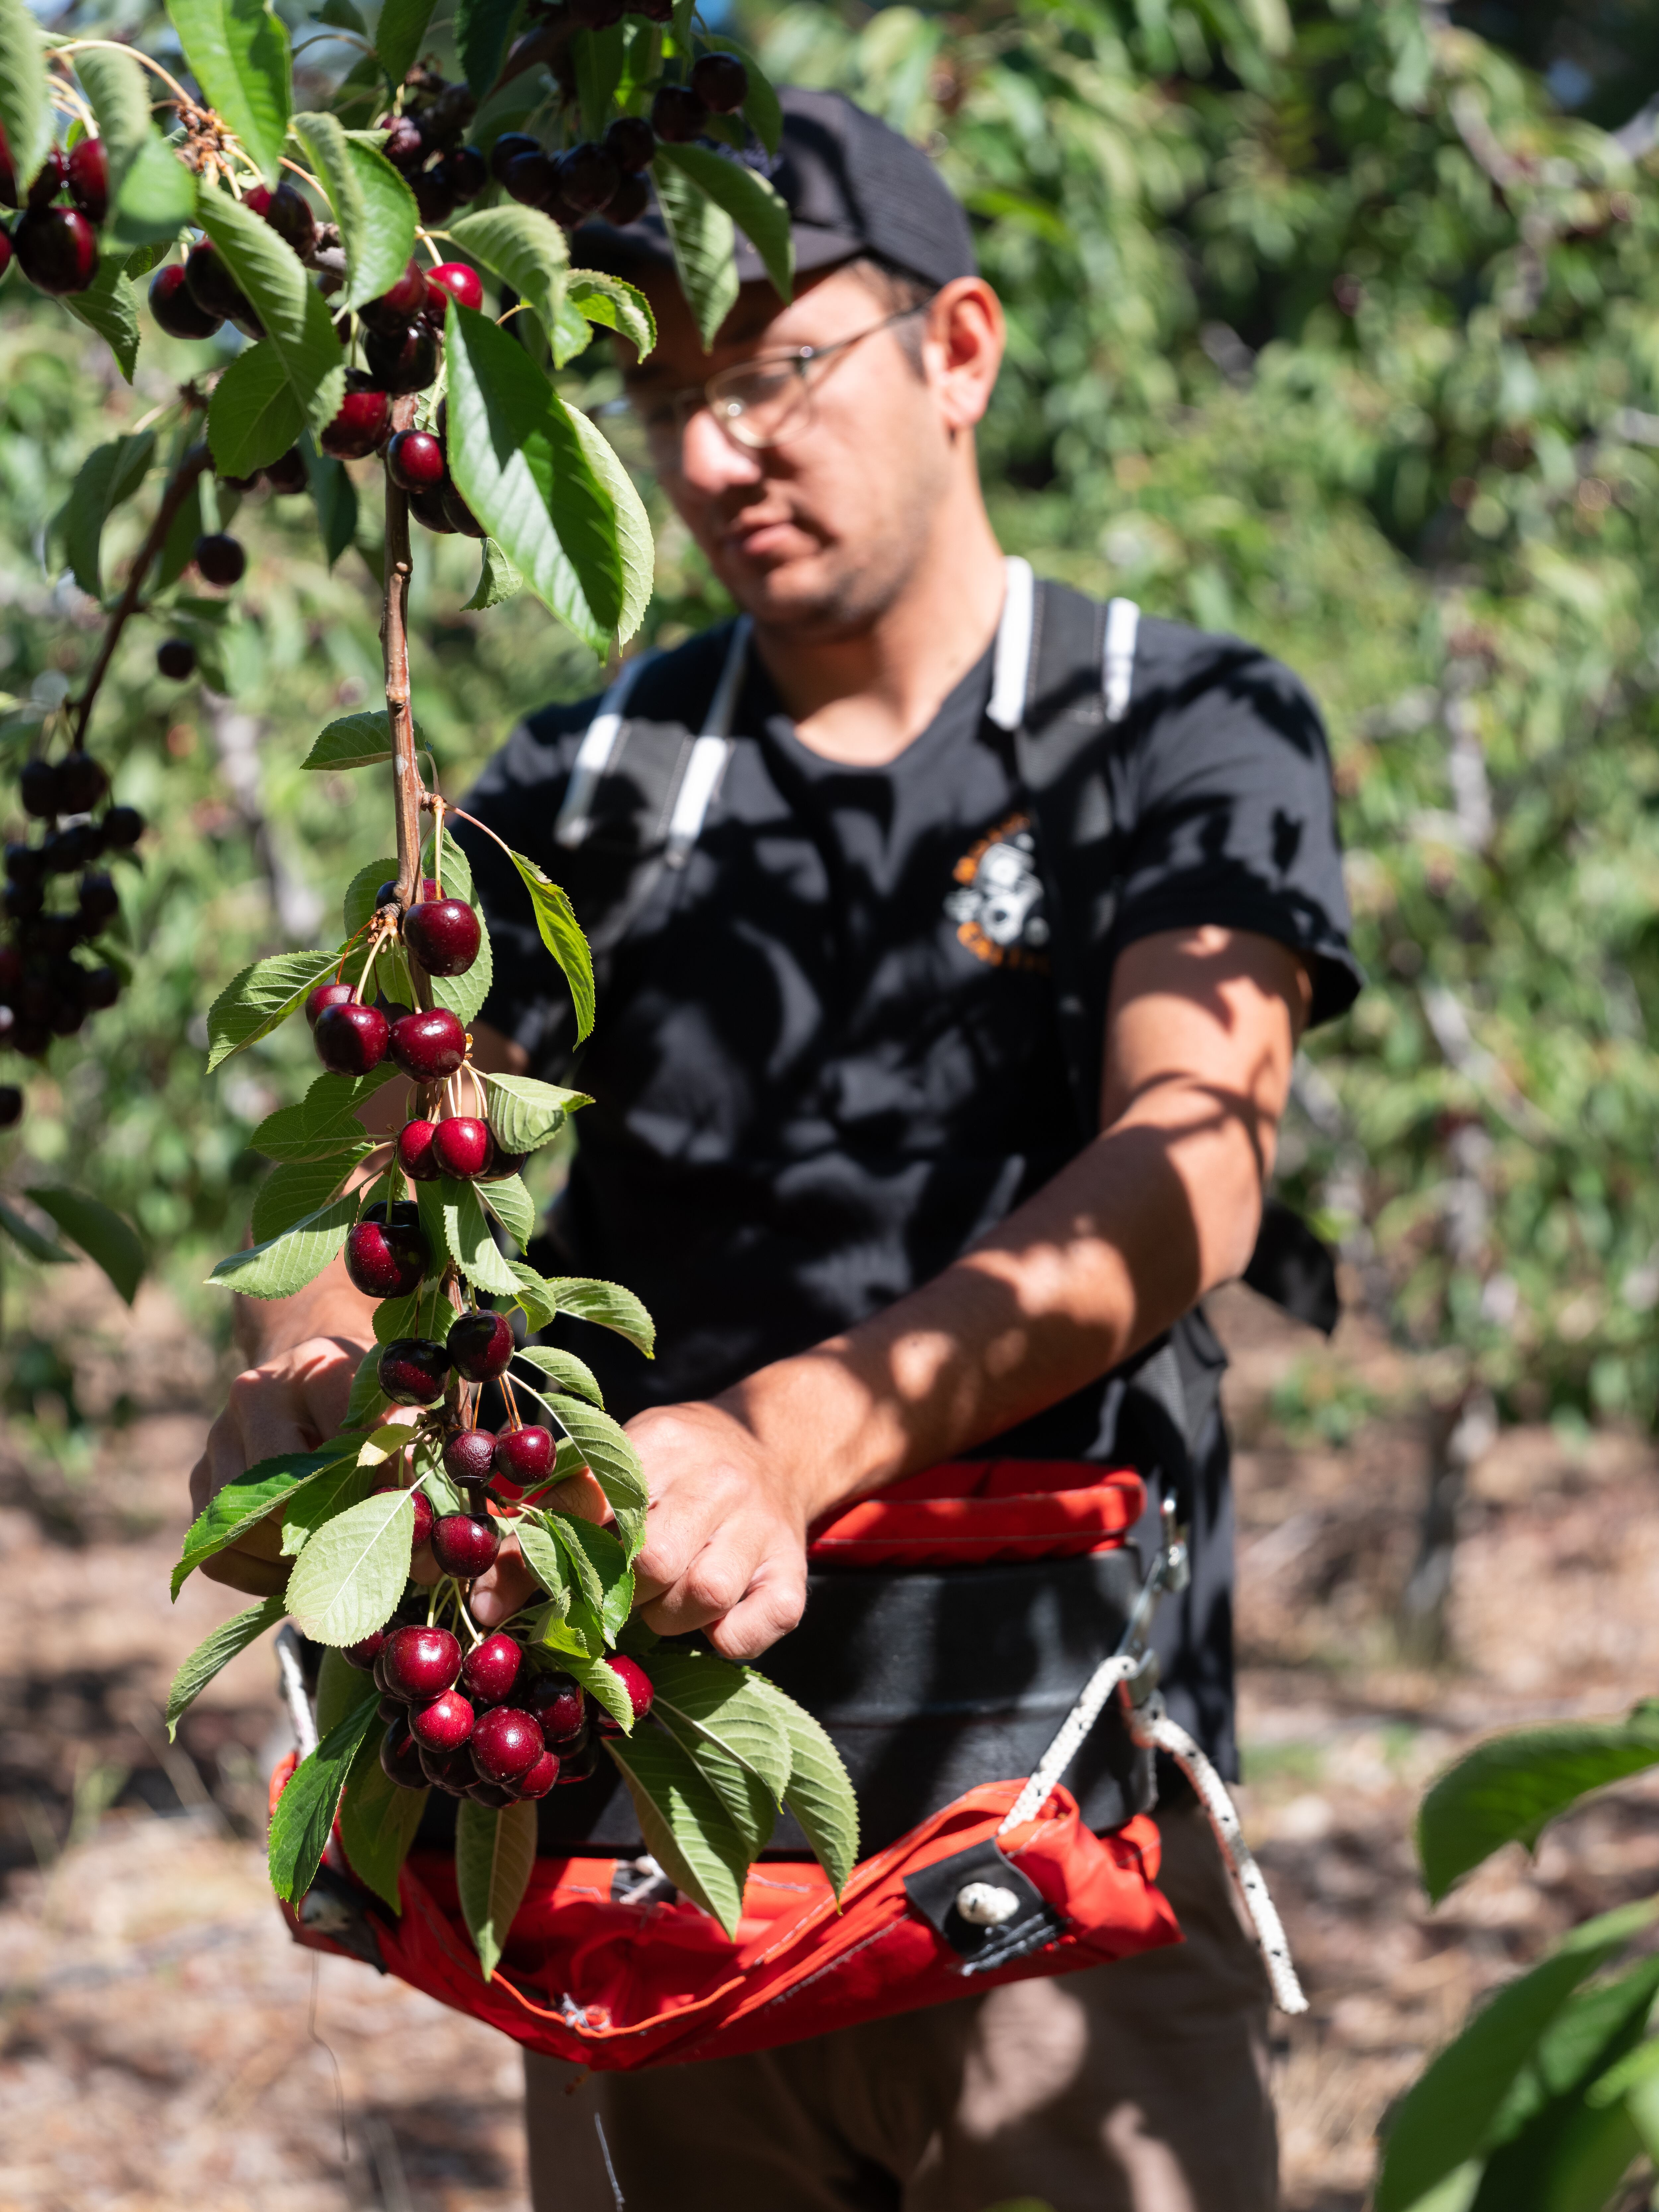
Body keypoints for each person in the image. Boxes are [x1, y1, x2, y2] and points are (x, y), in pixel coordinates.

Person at [190, 88, 1360, 2212]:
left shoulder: (1171, 726)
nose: (717, 453)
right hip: (649, 1860)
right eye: (665, 405)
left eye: (774, 374)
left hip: (1048, 1842)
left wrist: (776, 1445)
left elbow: (1190, 1169)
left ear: (958, 350)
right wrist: (305, 1387)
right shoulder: (593, 782)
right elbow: (383, 1165)